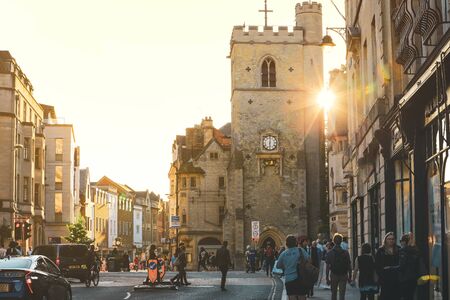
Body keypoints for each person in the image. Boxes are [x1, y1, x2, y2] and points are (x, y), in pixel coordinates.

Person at [276, 235, 307, 300]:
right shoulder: (300, 250)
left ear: (287, 243)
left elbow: (278, 265)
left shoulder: (284, 254)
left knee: (292, 297)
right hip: (301, 277)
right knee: (301, 297)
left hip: (289, 279)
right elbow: (309, 260)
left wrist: (285, 265)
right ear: (295, 243)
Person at [326, 233, 352, 300]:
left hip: (334, 274)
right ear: (341, 241)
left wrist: (327, 278)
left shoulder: (329, 253)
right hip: (343, 274)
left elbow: (327, 266)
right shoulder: (346, 252)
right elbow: (349, 265)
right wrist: (350, 276)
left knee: (333, 294)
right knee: (342, 294)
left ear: (333, 241)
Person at [375, 232, 400, 300]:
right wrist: (381, 274)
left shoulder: (398, 249)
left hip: (396, 278)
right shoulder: (381, 250)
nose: (391, 240)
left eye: (392, 239)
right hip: (385, 279)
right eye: (389, 239)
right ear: (385, 240)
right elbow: (377, 265)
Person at [398, 233, 422, 300]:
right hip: (414, 277)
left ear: (404, 242)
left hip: (405, 278)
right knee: (411, 296)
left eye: (401, 241)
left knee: (405, 296)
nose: (400, 243)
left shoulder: (403, 251)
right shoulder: (415, 250)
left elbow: (402, 265)